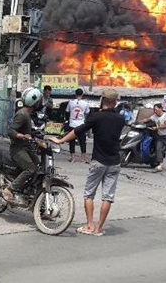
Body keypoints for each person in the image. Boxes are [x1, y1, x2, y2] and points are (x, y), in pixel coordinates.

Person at [51, 88, 125, 237]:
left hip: (98, 160)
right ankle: (99, 228)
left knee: (89, 194)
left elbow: (78, 131)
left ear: (102, 100)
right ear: (115, 102)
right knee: (108, 197)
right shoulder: (120, 119)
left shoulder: (96, 117)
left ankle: (90, 226)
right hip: (114, 162)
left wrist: (60, 140)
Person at [2, 87, 42, 203]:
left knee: (38, 166)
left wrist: (35, 134)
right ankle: (10, 188)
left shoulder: (27, 114)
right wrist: (22, 136)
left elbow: (27, 131)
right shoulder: (22, 114)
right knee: (31, 168)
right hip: (18, 149)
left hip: (26, 147)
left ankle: (28, 190)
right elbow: (11, 131)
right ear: (35, 102)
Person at [139, 102, 166, 172]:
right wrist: (140, 122)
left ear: (161, 109)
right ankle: (160, 165)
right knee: (158, 150)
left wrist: (156, 128)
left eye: (156, 110)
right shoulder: (154, 116)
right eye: (154, 110)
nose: (155, 111)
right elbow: (147, 119)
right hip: (160, 136)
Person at [65, 88, 91, 163]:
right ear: (82, 94)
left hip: (72, 123)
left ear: (75, 94)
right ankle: (83, 158)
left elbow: (67, 112)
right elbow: (87, 113)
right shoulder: (85, 103)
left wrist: (68, 120)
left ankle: (72, 158)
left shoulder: (70, 102)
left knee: (71, 141)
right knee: (82, 141)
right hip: (81, 124)